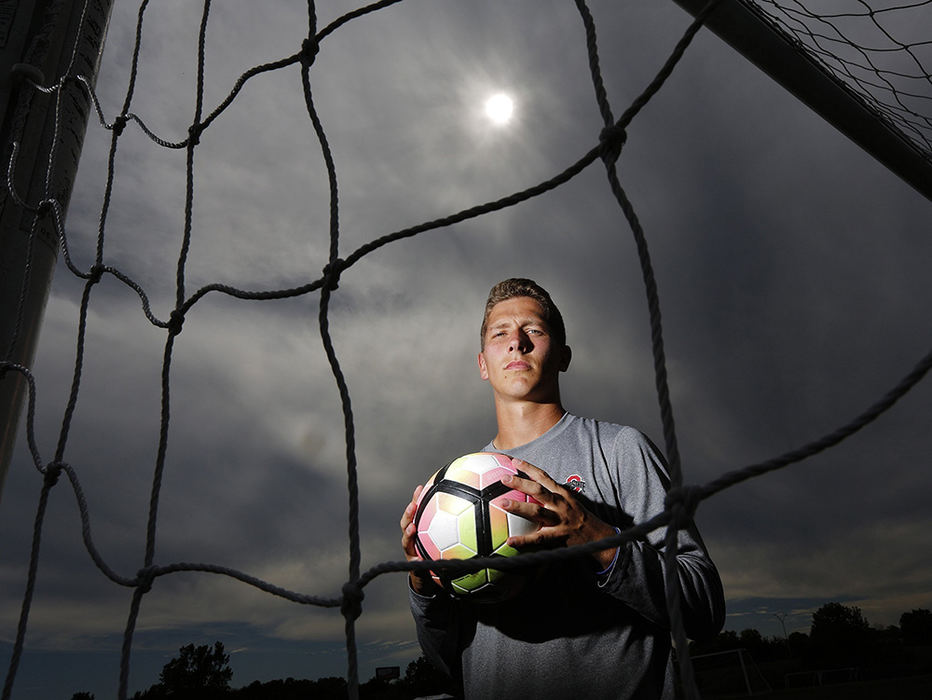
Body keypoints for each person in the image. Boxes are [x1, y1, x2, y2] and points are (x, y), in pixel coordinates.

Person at [399, 278, 725, 698]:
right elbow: (447, 663)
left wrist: (597, 538)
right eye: (500, 334)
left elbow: (704, 609)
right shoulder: (448, 495)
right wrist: (424, 589)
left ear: (564, 356)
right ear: (483, 363)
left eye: (533, 330)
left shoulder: (619, 450)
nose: (517, 342)